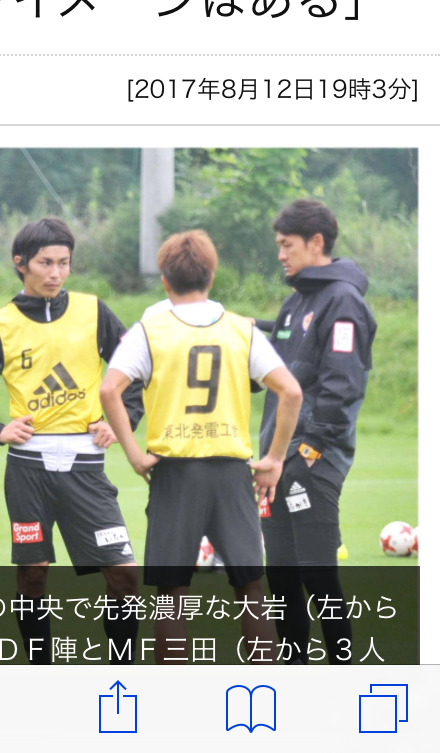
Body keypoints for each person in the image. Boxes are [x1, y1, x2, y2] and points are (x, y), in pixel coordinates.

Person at [100, 230, 302, 664]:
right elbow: (291, 392)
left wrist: (134, 454)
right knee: (250, 587)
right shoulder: (242, 329)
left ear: (164, 281)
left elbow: (109, 390)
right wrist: (274, 459)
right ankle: (266, 688)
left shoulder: (149, 331)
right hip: (231, 472)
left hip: (174, 472)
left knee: (172, 592)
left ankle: (176, 695)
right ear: (212, 276)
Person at [0, 216, 142, 664]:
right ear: (20, 263)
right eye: (45, 263)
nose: (56, 273)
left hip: (86, 470)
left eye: (64, 263)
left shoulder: (95, 312)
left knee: (125, 576)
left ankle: (123, 673)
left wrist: (122, 422)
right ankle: (41, 670)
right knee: (33, 576)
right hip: (27, 472)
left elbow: (136, 372)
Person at [258, 199, 377, 664]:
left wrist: (310, 448)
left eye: (287, 245)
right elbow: (280, 355)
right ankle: (294, 672)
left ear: (316, 243)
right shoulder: (296, 302)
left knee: (318, 575)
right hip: (276, 459)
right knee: (282, 577)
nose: (281, 254)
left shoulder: (343, 301)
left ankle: (342, 672)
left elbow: (343, 383)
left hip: (312, 458)